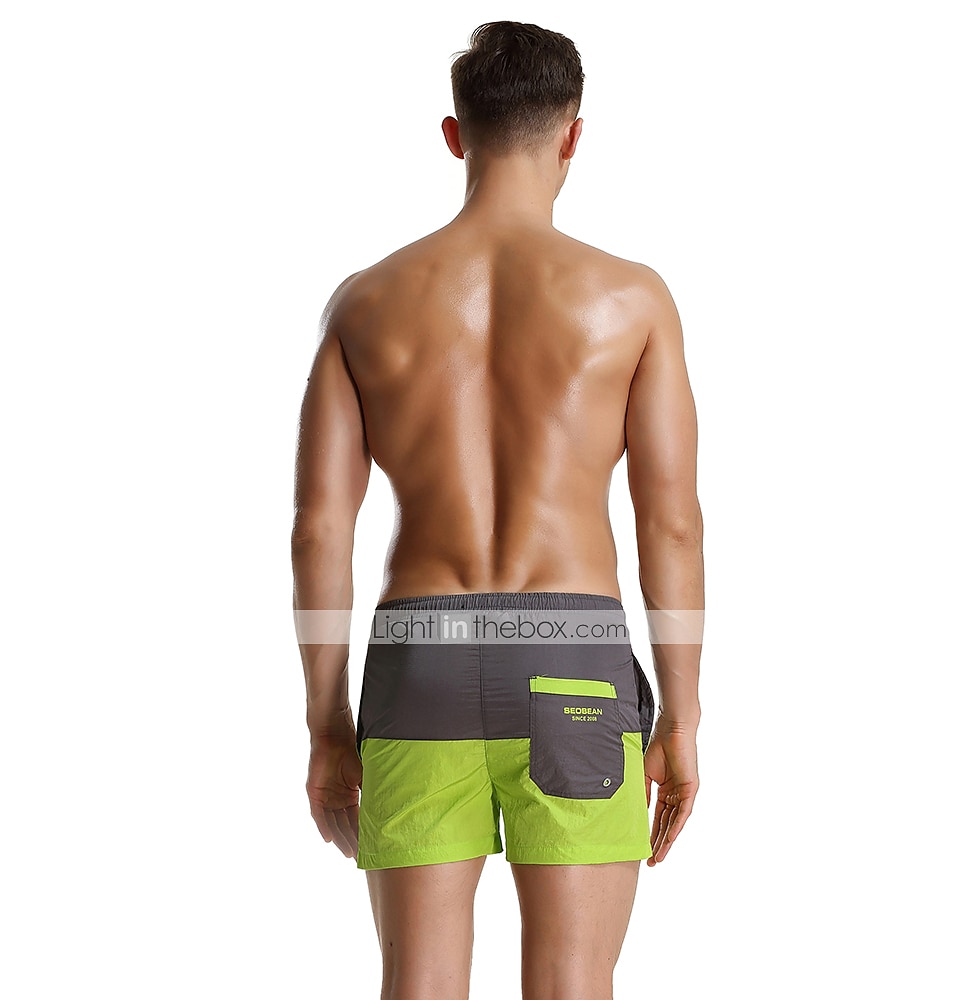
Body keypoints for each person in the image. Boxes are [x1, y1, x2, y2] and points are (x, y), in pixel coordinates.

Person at [291, 20, 704, 1000]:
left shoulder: (365, 302)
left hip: (419, 664)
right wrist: (682, 717)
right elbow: (671, 523)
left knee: (419, 982)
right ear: (573, 136)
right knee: (572, 982)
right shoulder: (631, 299)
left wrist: (326, 723)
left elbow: (319, 528)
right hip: (575, 661)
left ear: (454, 135)